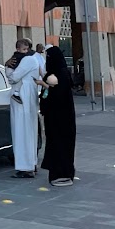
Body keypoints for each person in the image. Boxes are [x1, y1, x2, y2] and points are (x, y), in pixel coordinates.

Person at [40, 45, 76, 186]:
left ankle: (63, 174)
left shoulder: (60, 74)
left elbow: (57, 95)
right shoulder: (57, 72)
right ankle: (58, 172)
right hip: (56, 118)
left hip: (61, 119)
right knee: (56, 144)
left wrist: (45, 85)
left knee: (61, 145)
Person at [6, 39, 42, 177]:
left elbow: (13, 77)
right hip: (27, 96)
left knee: (21, 131)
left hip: (22, 96)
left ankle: (25, 167)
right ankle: (30, 163)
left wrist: (7, 67)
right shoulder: (33, 59)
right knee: (29, 131)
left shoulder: (27, 60)